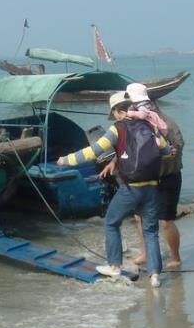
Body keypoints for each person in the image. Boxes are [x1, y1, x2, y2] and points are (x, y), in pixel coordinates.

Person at [56, 92, 168, 285]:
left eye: (114, 112)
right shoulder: (149, 125)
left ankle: (114, 266)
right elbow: (165, 151)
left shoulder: (117, 129)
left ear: (117, 111)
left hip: (130, 188)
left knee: (111, 222)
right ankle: (155, 274)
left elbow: (94, 151)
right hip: (152, 187)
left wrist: (65, 160)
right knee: (151, 231)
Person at [122, 85, 183, 271]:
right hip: (146, 179)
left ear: (153, 105)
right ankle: (146, 253)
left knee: (165, 221)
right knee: (140, 218)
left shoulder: (168, 124)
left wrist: (164, 150)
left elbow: (177, 148)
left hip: (168, 177)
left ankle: (175, 257)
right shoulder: (134, 123)